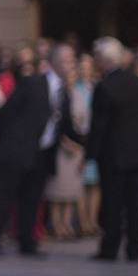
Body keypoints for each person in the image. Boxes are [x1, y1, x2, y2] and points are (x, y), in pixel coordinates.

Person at [0, 46, 51, 257]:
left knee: (23, 199)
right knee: (10, 197)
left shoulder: (34, 85)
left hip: (28, 151)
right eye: (23, 65)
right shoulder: (32, 85)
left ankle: (21, 240)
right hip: (19, 151)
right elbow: (8, 114)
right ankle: (6, 239)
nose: (26, 69)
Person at [88, 37, 138, 262]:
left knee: (113, 203)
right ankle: (135, 247)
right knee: (135, 203)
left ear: (105, 60)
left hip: (113, 155)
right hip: (137, 152)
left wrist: (89, 155)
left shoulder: (104, 87)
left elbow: (99, 126)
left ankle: (110, 247)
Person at [41, 45, 84, 240]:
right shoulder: (49, 88)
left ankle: (66, 223)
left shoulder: (73, 94)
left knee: (71, 191)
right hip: (56, 148)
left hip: (74, 147)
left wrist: (81, 144)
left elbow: (74, 123)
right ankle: (55, 225)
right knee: (57, 189)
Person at [73, 53, 101, 237]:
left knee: (96, 183)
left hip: (97, 139)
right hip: (80, 139)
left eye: (87, 66)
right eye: (81, 66)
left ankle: (93, 221)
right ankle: (83, 222)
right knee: (81, 183)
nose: (84, 69)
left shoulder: (98, 87)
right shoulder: (75, 88)